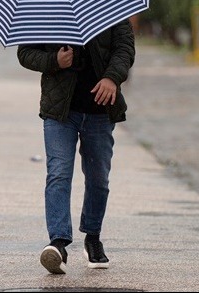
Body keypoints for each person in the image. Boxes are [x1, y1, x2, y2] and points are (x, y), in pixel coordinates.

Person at [16, 19, 135, 274]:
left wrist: (112, 78)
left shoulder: (111, 3)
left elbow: (125, 49)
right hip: (60, 111)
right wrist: (54, 61)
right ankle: (58, 243)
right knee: (58, 173)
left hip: (100, 110)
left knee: (98, 178)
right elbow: (25, 53)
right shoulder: (47, 7)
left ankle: (93, 237)